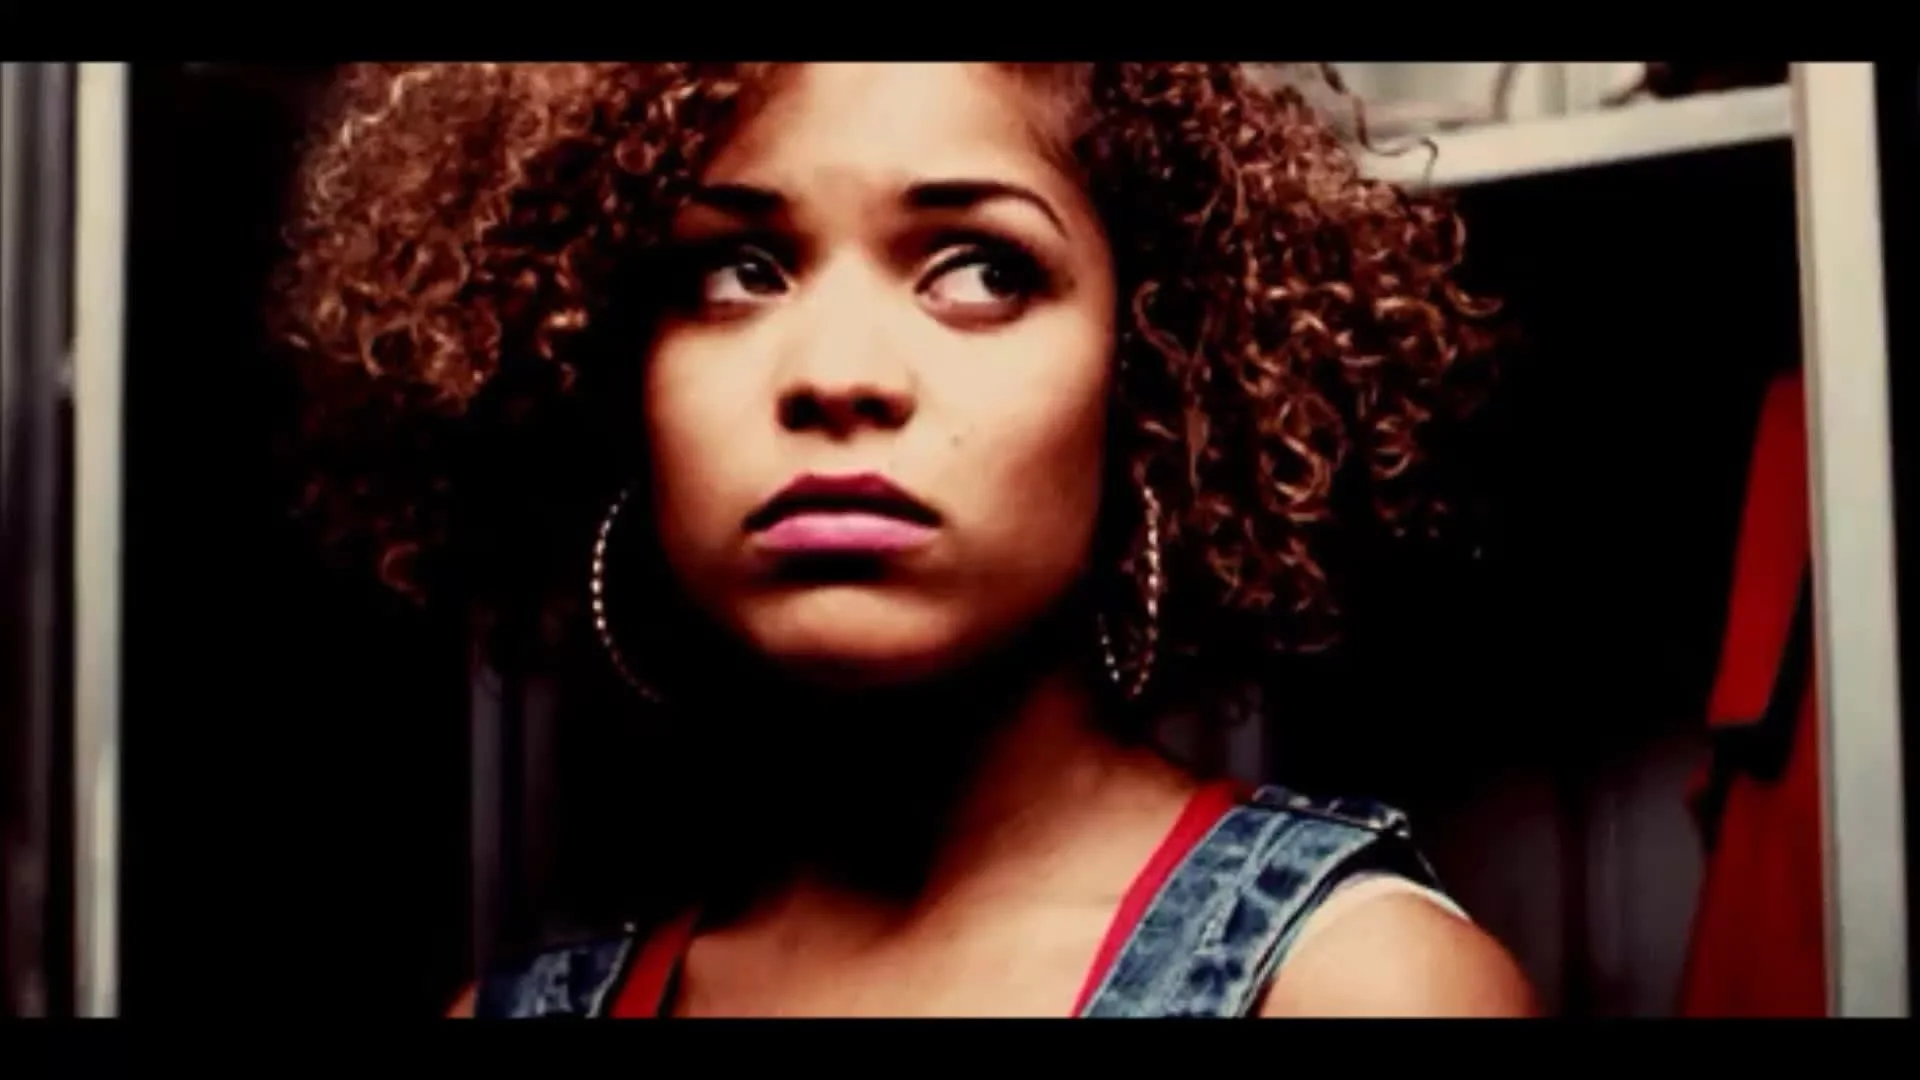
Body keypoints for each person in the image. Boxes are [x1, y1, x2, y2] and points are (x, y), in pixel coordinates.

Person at [274, 61, 1535, 1018]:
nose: (838, 375)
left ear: (1154, 377)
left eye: (981, 271)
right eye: (738, 271)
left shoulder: (1355, 988)